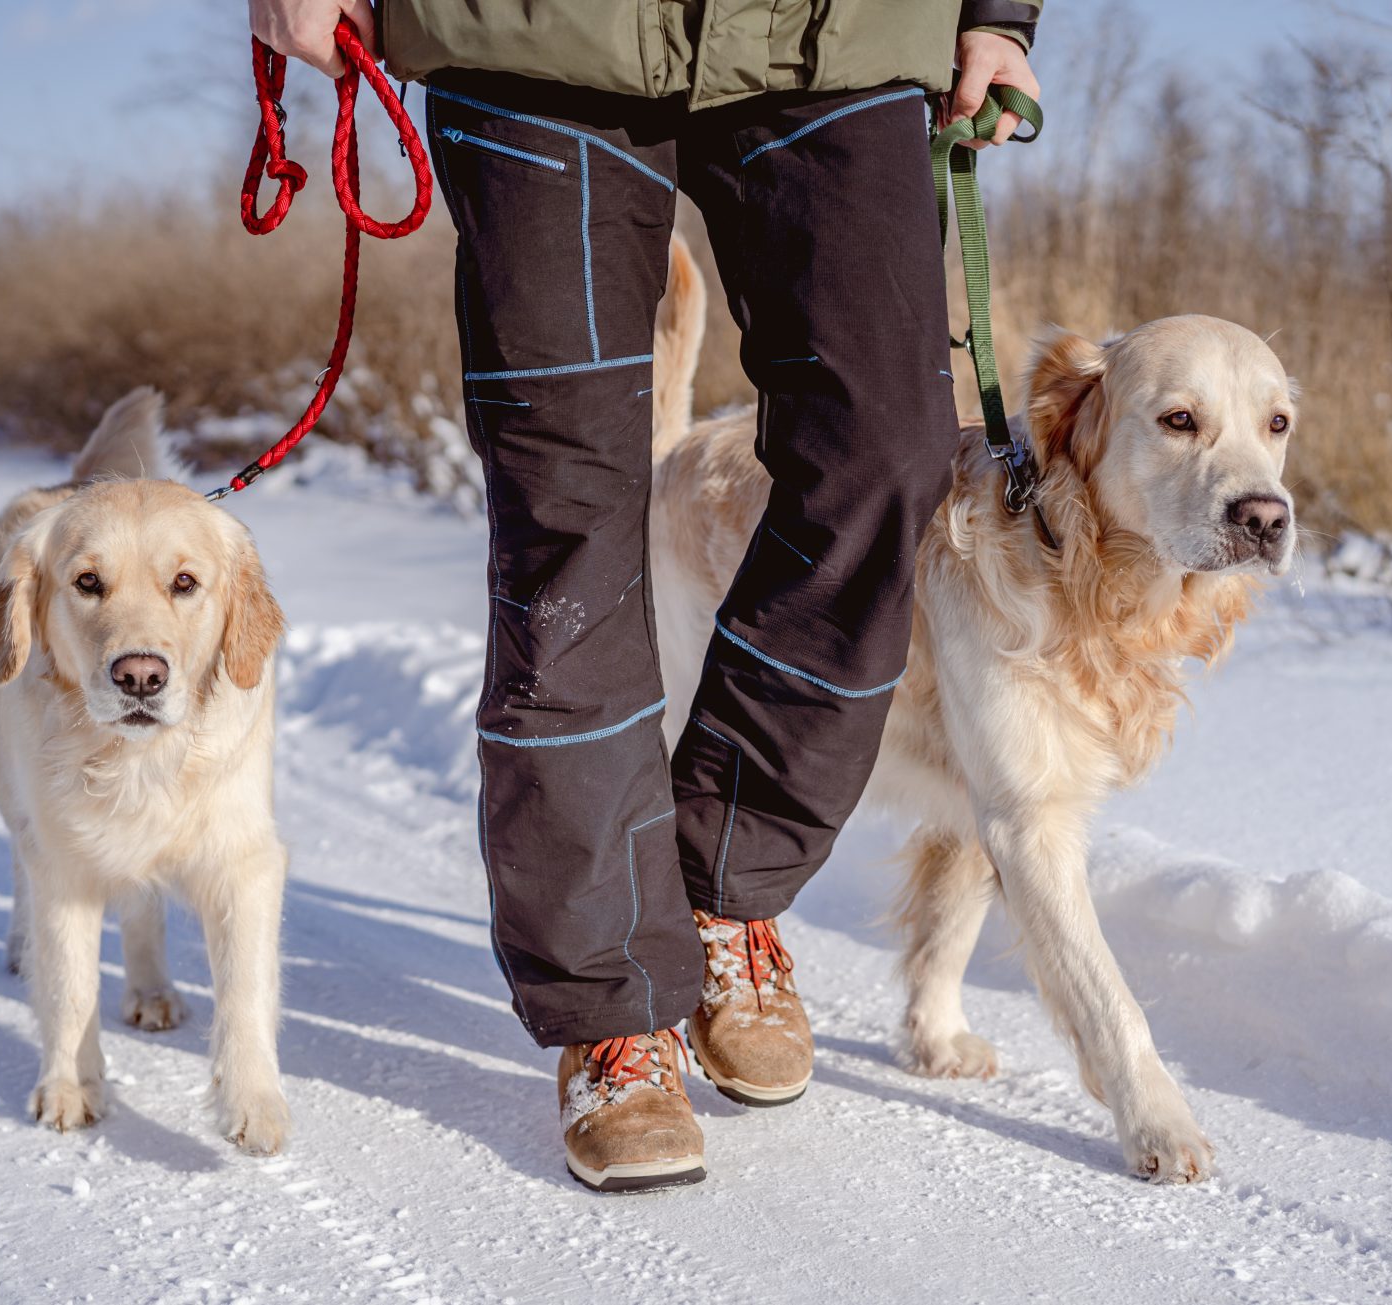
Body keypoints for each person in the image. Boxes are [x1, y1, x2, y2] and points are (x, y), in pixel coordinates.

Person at [249, 0, 1044, 1192]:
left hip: (842, 35)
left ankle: (729, 884)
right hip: (533, 35)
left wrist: (999, 13)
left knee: (887, 458)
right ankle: (609, 1003)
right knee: (568, 522)